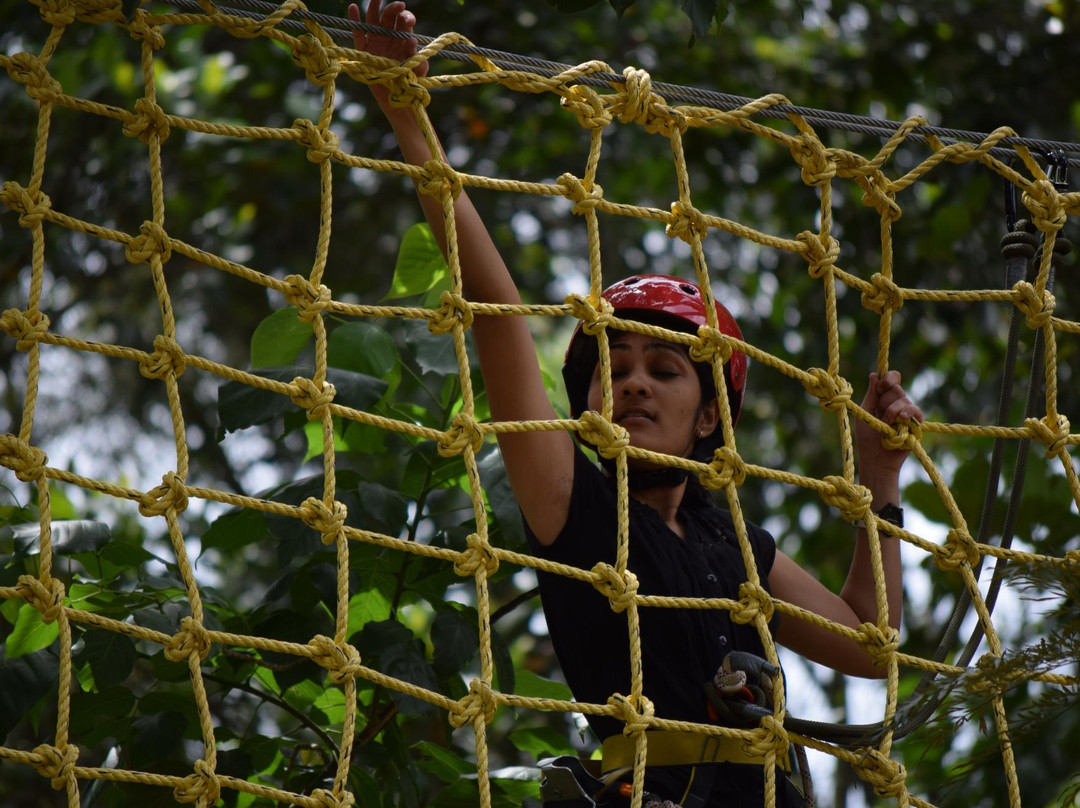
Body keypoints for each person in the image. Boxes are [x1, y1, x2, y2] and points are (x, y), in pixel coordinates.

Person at [349, 3, 924, 805]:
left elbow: (871, 646)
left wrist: (879, 477)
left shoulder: (733, 547)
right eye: (614, 368)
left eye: (665, 369)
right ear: (587, 399)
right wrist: (408, 119)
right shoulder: (573, 506)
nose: (634, 383)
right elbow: (498, 313)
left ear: (710, 415)